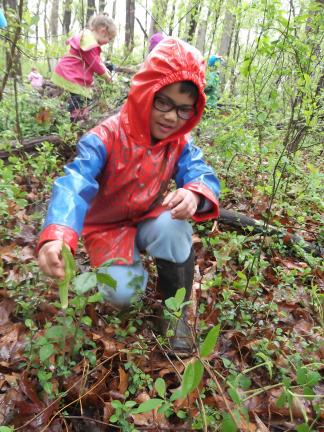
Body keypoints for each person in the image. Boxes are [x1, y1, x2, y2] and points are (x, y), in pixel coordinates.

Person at [37, 38, 220, 357]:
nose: (171, 117)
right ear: (146, 93)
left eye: (183, 109)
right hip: (107, 228)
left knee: (176, 227)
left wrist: (194, 193)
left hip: (148, 217)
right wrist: (58, 235)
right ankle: (131, 274)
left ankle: (175, 313)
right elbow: (74, 182)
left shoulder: (179, 143)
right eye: (163, 102)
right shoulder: (106, 136)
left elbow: (200, 173)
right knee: (124, 293)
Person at [52, 14, 117, 121]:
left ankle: (82, 117)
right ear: (103, 31)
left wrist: (105, 68)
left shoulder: (88, 39)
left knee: (83, 97)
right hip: (72, 74)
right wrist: (106, 76)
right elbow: (95, 63)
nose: (107, 42)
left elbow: (96, 60)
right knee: (78, 98)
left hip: (72, 73)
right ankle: (74, 120)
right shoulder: (88, 42)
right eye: (109, 39)